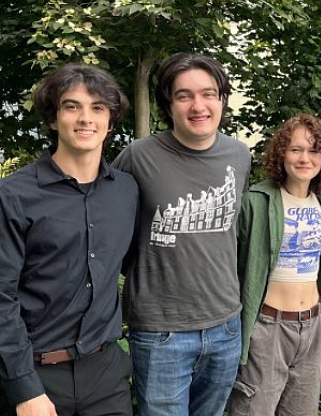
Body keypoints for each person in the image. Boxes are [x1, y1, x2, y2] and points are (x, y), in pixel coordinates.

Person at [0, 63, 136, 416]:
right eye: (72, 106)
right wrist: (24, 388)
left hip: (106, 374)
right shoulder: (11, 196)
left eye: (98, 108)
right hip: (38, 376)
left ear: (110, 122)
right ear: (53, 118)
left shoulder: (127, 191)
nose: (86, 118)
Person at [112, 53, 252, 416]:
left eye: (209, 94)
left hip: (225, 325)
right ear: (168, 104)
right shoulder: (138, 156)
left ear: (222, 99)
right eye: (184, 95)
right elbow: (109, 230)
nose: (198, 106)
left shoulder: (239, 156)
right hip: (160, 333)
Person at [230, 114, 321, 416]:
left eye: (313, 150)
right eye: (295, 150)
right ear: (281, 154)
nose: (304, 158)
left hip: (312, 327)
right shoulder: (256, 201)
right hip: (268, 328)